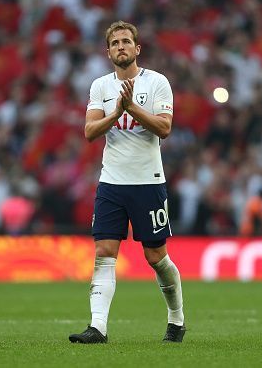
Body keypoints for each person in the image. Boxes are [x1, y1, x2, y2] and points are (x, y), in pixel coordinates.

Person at [69, 21, 185, 344]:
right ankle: (98, 327)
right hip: (112, 182)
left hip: (148, 181)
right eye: (115, 43)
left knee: (155, 257)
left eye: (126, 41)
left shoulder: (158, 82)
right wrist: (116, 111)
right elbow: (90, 132)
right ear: (108, 52)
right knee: (104, 252)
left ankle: (177, 319)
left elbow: (164, 128)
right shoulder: (101, 87)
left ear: (137, 48)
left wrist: (131, 107)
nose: (121, 46)